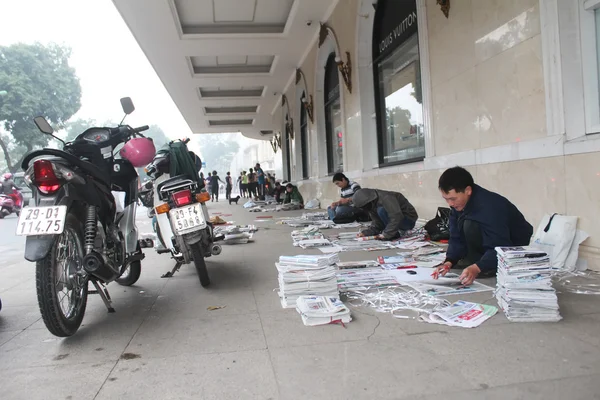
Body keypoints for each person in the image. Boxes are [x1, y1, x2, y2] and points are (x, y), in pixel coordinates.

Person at [432, 166, 534, 286]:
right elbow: (456, 237)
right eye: (446, 199)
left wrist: (478, 267)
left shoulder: (490, 207)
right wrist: (449, 261)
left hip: (513, 246)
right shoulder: (458, 205)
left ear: (468, 190)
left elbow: (500, 245)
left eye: (453, 199)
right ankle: (478, 261)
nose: (450, 204)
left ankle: (488, 265)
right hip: (490, 245)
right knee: (465, 225)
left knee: (470, 225)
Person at [352, 188, 418, 241]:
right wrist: (367, 232)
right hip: (397, 222)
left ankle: (394, 233)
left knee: (381, 210)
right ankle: (392, 232)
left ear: (369, 201)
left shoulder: (386, 198)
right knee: (380, 211)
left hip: (408, 221)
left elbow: (396, 216)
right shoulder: (372, 204)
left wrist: (387, 234)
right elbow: (377, 222)